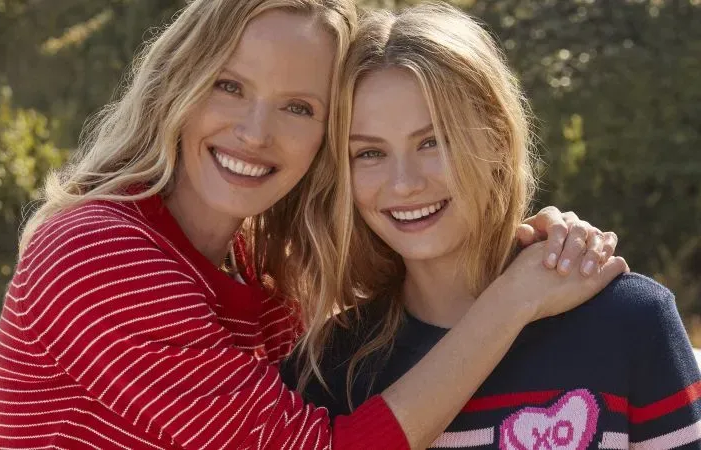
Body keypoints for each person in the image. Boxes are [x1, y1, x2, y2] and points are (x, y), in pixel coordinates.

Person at [0, 0, 626, 448]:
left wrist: (512, 242)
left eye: (298, 106)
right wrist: (512, 301)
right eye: (229, 86)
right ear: (177, 82)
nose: (256, 133)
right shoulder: (101, 253)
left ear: (326, 137)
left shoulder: (255, 266)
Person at [285, 3, 701, 449]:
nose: (404, 183)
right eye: (369, 152)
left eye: (433, 141)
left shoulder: (630, 320)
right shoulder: (327, 369)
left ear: (498, 138)